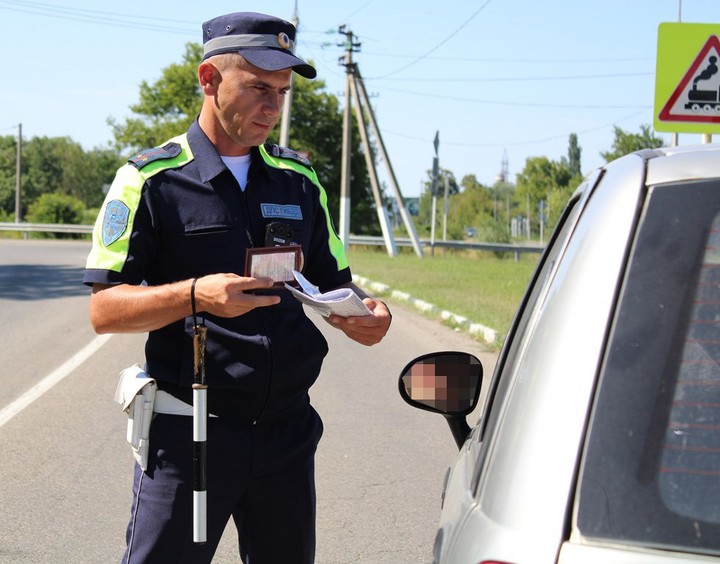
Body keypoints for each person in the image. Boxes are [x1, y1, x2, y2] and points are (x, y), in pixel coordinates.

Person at [83, 11, 391, 563]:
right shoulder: (149, 180)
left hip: (287, 436)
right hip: (191, 437)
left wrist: (369, 315)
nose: (273, 108)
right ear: (208, 79)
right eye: (257, 88)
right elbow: (105, 310)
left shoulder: (299, 181)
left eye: (281, 91)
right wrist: (196, 294)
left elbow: (338, 286)